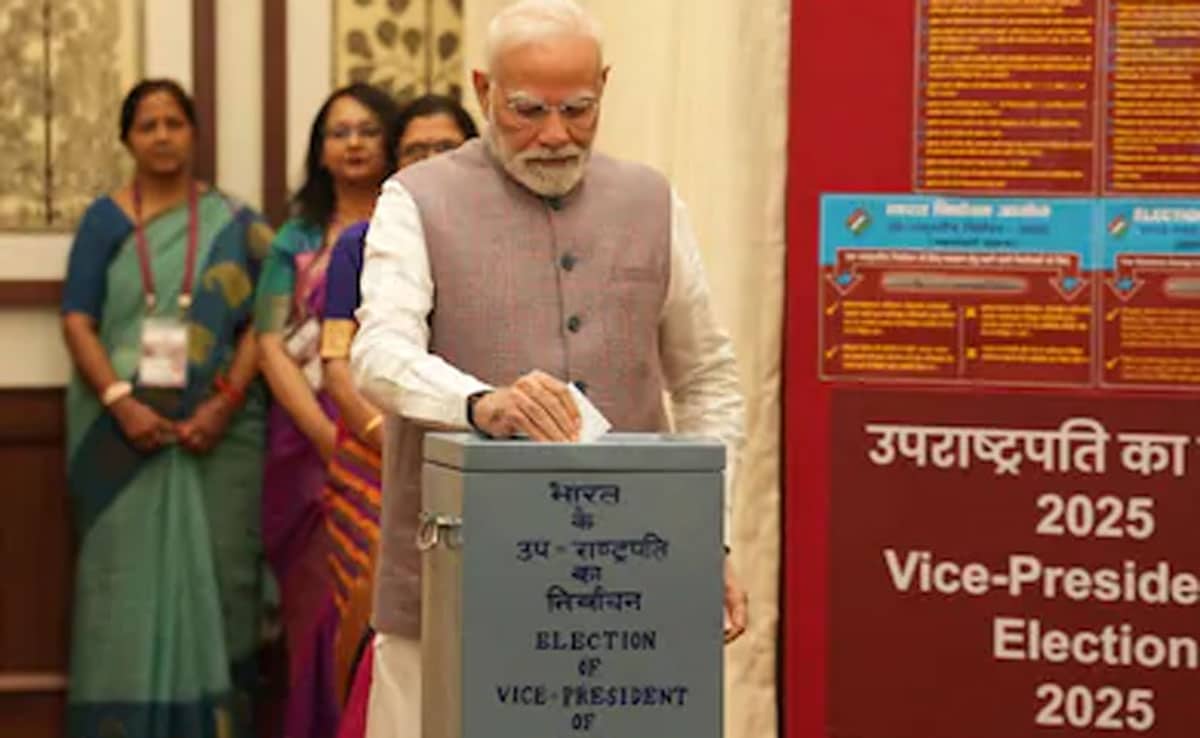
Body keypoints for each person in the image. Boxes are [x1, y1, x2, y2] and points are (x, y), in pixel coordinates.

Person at [349, 1, 748, 736]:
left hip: (627, 591)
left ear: (603, 86)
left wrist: (711, 534)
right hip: (455, 591)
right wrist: (479, 403)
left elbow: (708, 380)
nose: (556, 134)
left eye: (579, 108)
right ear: (482, 90)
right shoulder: (417, 200)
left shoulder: (652, 202)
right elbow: (376, 355)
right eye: (528, 109)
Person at [61, 78, 271, 738]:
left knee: (221, 581)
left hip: (220, 433)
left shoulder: (237, 224)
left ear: (194, 133)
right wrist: (122, 403)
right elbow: (76, 321)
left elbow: (265, 324)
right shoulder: (104, 222)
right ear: (126, 138)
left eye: (173, 122)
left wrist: (225, 403)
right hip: (118, 436)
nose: (160, 135)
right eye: (146, 125)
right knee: (122, 589)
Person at [321, 93, 479, 738]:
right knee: (371, 610)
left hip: (476, 451)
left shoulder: (498, 238)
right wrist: (389, 433)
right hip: (375, 453)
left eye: (446, 148)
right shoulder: (361, 242)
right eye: (416, 150)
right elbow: (339, 361)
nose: (431, 161)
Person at [253, 82, 399, 738]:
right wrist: (324, 431)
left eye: (367, 129)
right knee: (319, 606)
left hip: (392, 429)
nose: (355, 143)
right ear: (319, 151)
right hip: (307, 441)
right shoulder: (297, 239)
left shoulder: (410, 227)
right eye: (339, 132)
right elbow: (267, 339)